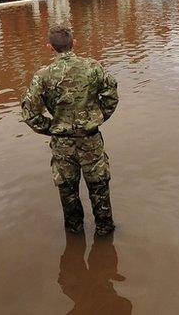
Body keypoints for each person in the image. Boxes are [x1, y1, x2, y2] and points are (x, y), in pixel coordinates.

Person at [22, 24, 120, 236]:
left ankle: (75, 234)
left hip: (62, 144)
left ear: (50, 47)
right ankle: (104, 232)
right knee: (99, 187)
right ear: (74, 43)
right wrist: (99, 117)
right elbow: (111, 95)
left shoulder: (43, 75)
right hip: (90, 139)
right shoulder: (92, 67)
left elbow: (29, 113)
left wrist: (52, 128)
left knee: (68, 191)